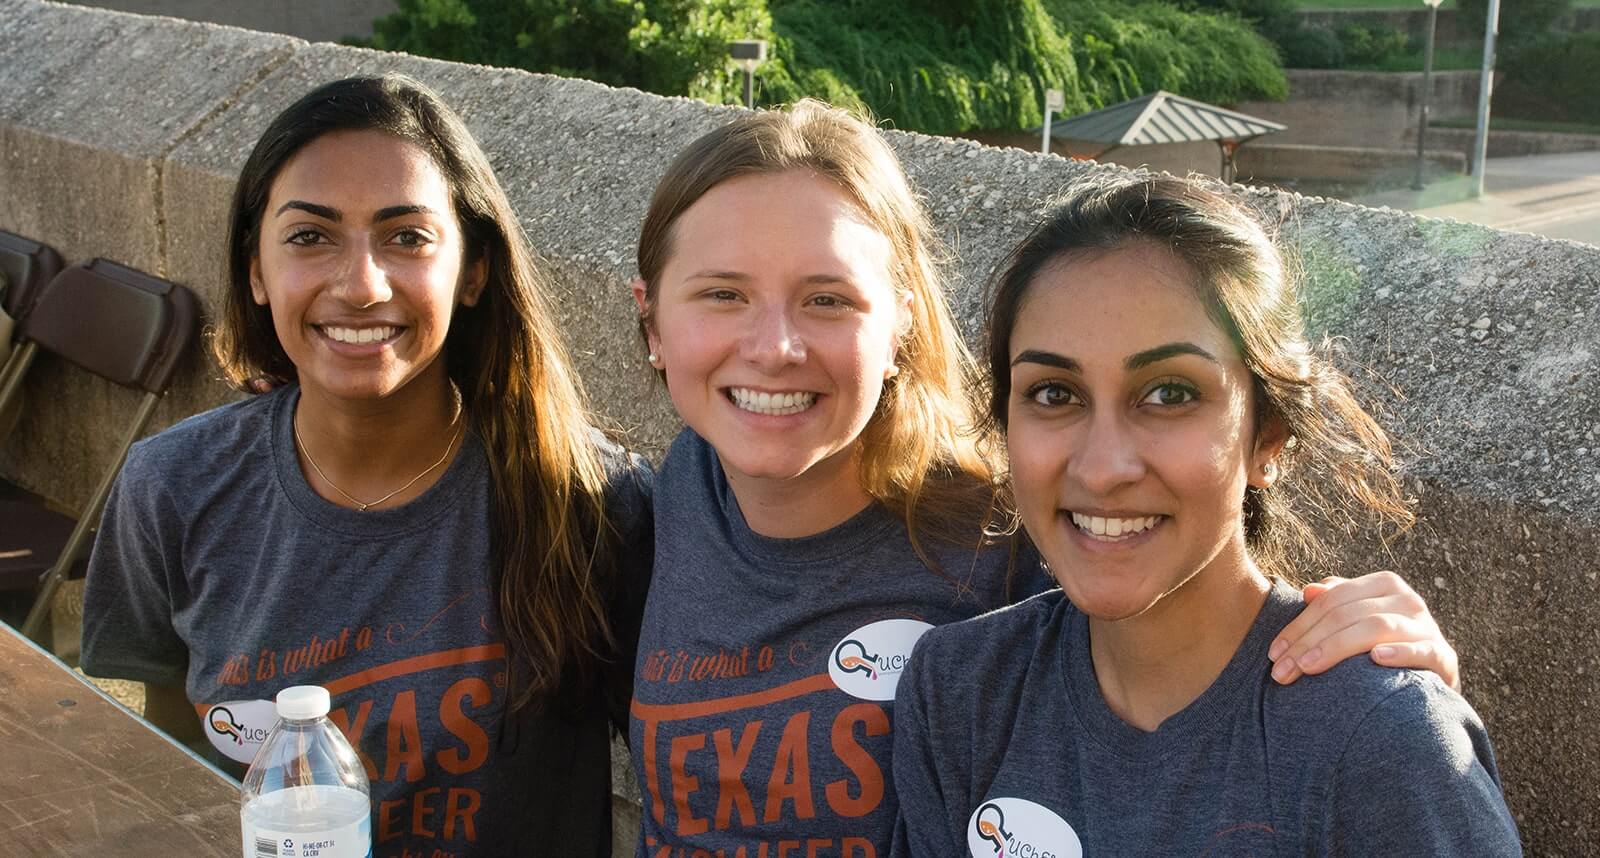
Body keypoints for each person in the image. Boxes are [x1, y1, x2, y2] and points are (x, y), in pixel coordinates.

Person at [627, 101, 1462, 858]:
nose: (774, 348)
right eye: (723, 294)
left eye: (827, 299)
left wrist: (1383, 680)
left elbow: (1182, 601)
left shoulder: (1009, 529)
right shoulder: (658, 504)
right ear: (651, 319)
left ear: (903, 322)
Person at [80, 75, 651, 858]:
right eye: (309, 237)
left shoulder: (590, 502)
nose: (360, 285)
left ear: (474, 270)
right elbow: (163, 771)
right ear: (255, 270)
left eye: (407, 237)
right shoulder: (171, 487)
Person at [889, 175, 1521, 856]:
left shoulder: (1381, 741)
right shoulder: (959, 692)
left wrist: (1396, 709)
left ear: (1268, 436)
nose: (1102, 468)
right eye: (1054, 393)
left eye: (1169, 393)